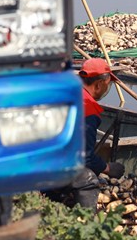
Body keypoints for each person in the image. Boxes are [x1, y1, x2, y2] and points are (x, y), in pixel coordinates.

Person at [45, 58, 125, 209]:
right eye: (107, 86)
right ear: (99, 84)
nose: (107, 90)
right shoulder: (87, 108)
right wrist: (107, 168)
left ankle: (54, 202)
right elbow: (84, 157)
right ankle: (87, 225)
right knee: (87, 180)